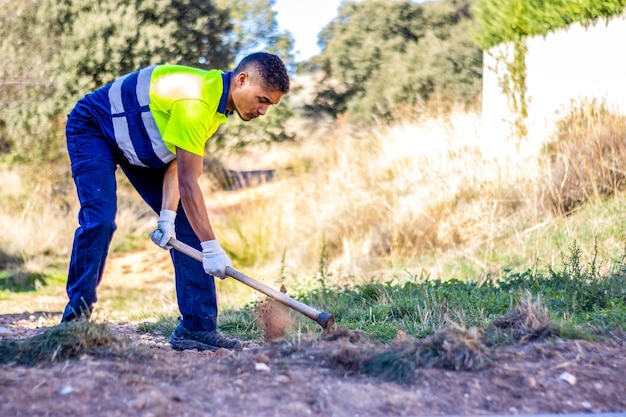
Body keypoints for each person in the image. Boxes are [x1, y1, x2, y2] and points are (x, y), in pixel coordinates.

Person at [61, 52, 290, 352]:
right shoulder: (198, 102)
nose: (263, 111)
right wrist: (211, 247)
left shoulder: (216, 106)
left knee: (187, 224)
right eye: (262, 100)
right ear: (242, 80)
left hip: (138, 145)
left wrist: (168, 217)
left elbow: (175, 163)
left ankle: (196, 329)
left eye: (269, 105)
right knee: (100, 219)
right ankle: (74, 323)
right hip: (94, 127)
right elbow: (189, 183)